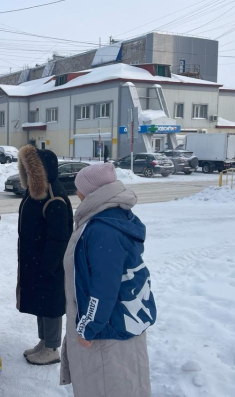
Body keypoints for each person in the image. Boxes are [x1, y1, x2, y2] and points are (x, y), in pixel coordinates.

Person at [60, 162, 156, 397]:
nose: (76, 193)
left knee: (106, 385)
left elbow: (104, 287)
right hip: (117, 323)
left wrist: (87, 329)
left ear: (92, 191)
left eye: (78, 188)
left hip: (106, 332)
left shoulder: (102, 228)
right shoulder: (110, 217)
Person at [16, 145, 73, 366]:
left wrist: (49, 266)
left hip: (49, 263)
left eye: (30, 169)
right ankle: (44, 341)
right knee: (41, 303)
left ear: (41, 170)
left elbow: (60, 238)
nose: (27, 173)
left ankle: (52, 348)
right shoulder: (36, 193)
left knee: (50, 304)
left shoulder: (53, 196)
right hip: (36, 260)